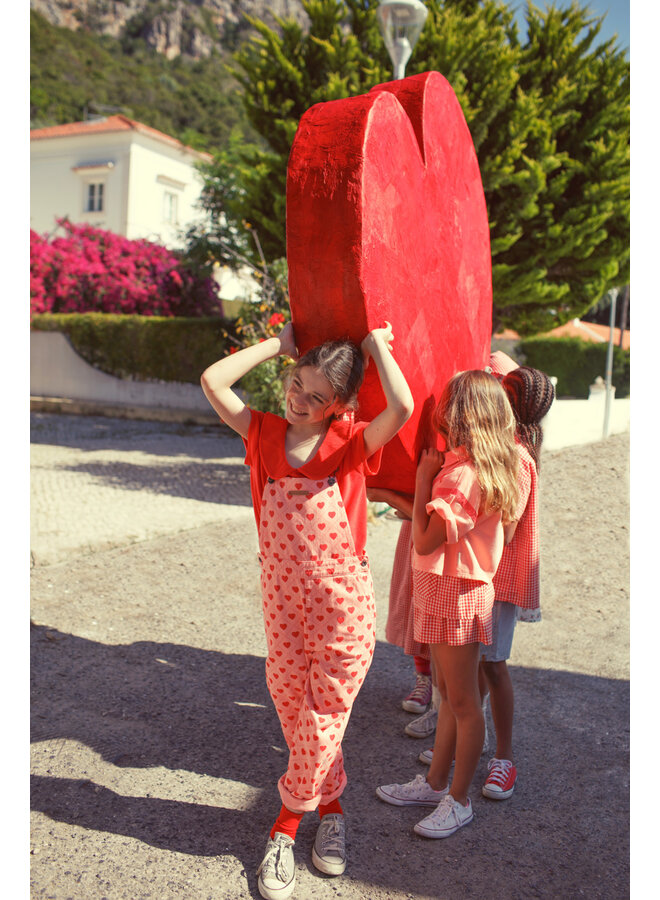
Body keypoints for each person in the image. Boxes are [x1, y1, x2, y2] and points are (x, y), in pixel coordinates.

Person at [201, 320, 413, 900]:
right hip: (282, 607)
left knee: (323, 715)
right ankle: (334, 810)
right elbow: (213, 381)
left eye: (316, 397)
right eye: (296, 384)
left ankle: (285, 829)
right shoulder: (261, 432)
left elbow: (402, 405)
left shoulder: (352, 443)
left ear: (338, 406)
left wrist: (377, 348)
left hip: (343, 607)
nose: (298, 399)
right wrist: (279, 345)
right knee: (298, 714)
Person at [376, 370, 519, 839]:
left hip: (454, 595)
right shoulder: (484, 467)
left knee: (461, 703)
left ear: (459, 415)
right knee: (449, 695)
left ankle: (458, 801)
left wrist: (422, 480)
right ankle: (436, 783)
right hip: (451, 592)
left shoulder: (459, 476)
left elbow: (423, 541)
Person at [479, 363, 555, 801]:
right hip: (489, 573)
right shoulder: (512, 449)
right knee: (478, 662)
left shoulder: (517, 458)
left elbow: (506, 532)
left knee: (493, 665)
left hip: (499, 578)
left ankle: (503, 759)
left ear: (509, 405)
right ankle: (470, 738)